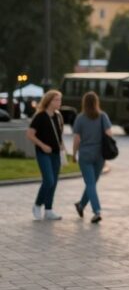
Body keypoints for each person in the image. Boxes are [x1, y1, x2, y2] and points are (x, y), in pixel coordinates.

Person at [72, 92, 113, 224]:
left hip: (85, 155)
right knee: (92, 184)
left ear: (84, 103)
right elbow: (109, 134)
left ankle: (94, 211)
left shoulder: (80, 118)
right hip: (100, 155)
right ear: (96, 102)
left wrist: (74, 154)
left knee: (90, 184)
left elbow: (77, 139)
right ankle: (86, 207)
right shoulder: (102, 116)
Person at [26, 90, 66, 221]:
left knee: (54, 182)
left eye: (60, 100)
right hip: (43, 153)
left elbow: (60, 135)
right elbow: (30, 134)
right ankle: (37, 205)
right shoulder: (40, 116)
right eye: (56, 100)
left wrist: (62, 148)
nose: (59, 102)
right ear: (49, 101)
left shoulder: (59, 116)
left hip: (56, 153)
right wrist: (43, 145)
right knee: (48, 180)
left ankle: (48, 210)